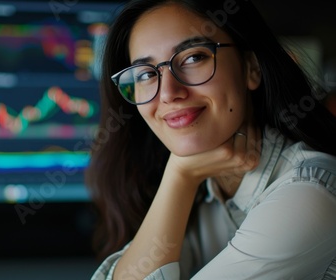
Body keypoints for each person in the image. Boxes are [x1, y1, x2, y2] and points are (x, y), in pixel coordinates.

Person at [86, 0, 336, 279]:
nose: (168, 93)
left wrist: (180, 175)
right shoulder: (204, 190)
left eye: (193, 58)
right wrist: (180, 176)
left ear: (251, 68)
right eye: (146, 74)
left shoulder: (309, 194)